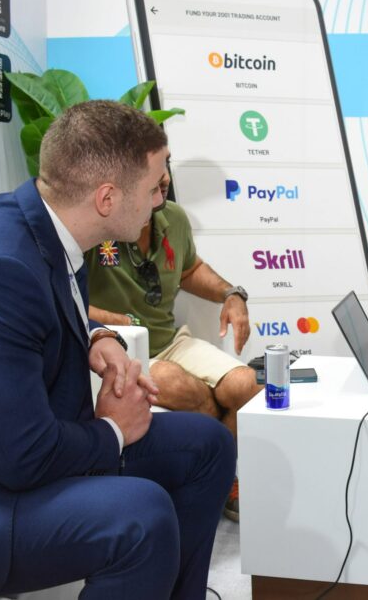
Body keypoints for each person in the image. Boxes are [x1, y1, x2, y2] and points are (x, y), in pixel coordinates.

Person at [0, 100, 235, 598]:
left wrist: (99, 337)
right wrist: (114, 430)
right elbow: (22, 460)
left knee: (207, 445)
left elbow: (39, 313)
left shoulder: (45, 223)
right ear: (107, 197)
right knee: (139, 517)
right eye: (153, 188)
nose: (159, 202)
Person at [85, 165, 259, 522]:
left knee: (247, 386)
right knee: (177, 384)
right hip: (122, 350)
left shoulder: (173, 217)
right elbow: (63, 293)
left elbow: (190, 270)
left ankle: (218, 479)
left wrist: (232, 293)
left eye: (165, 176)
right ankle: (218, 477)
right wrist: (108, 320)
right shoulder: (100, 220)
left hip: (171, 340)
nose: (163, 188)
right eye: (154, 182)